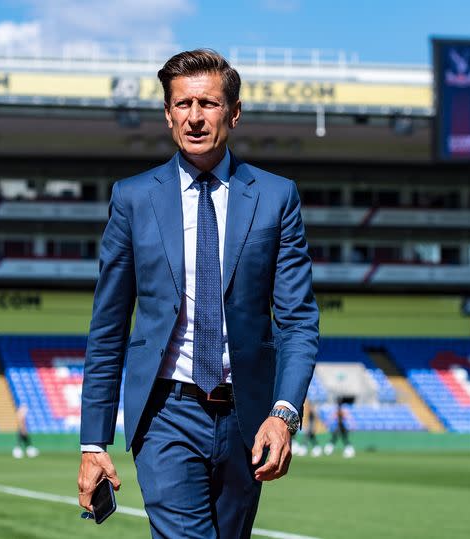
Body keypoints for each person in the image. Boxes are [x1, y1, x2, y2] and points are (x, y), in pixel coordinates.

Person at [77, 49, 319, 538]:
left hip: (247, 417)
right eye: (182, 104)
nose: (193, 117)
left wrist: (284, 414)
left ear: (234, 111)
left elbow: (297, 320)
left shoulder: (276, 197)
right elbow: (108, 325)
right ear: (167, 114)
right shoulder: (133, 198)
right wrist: (92, 443)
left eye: (207, 103)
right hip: (166, 413)